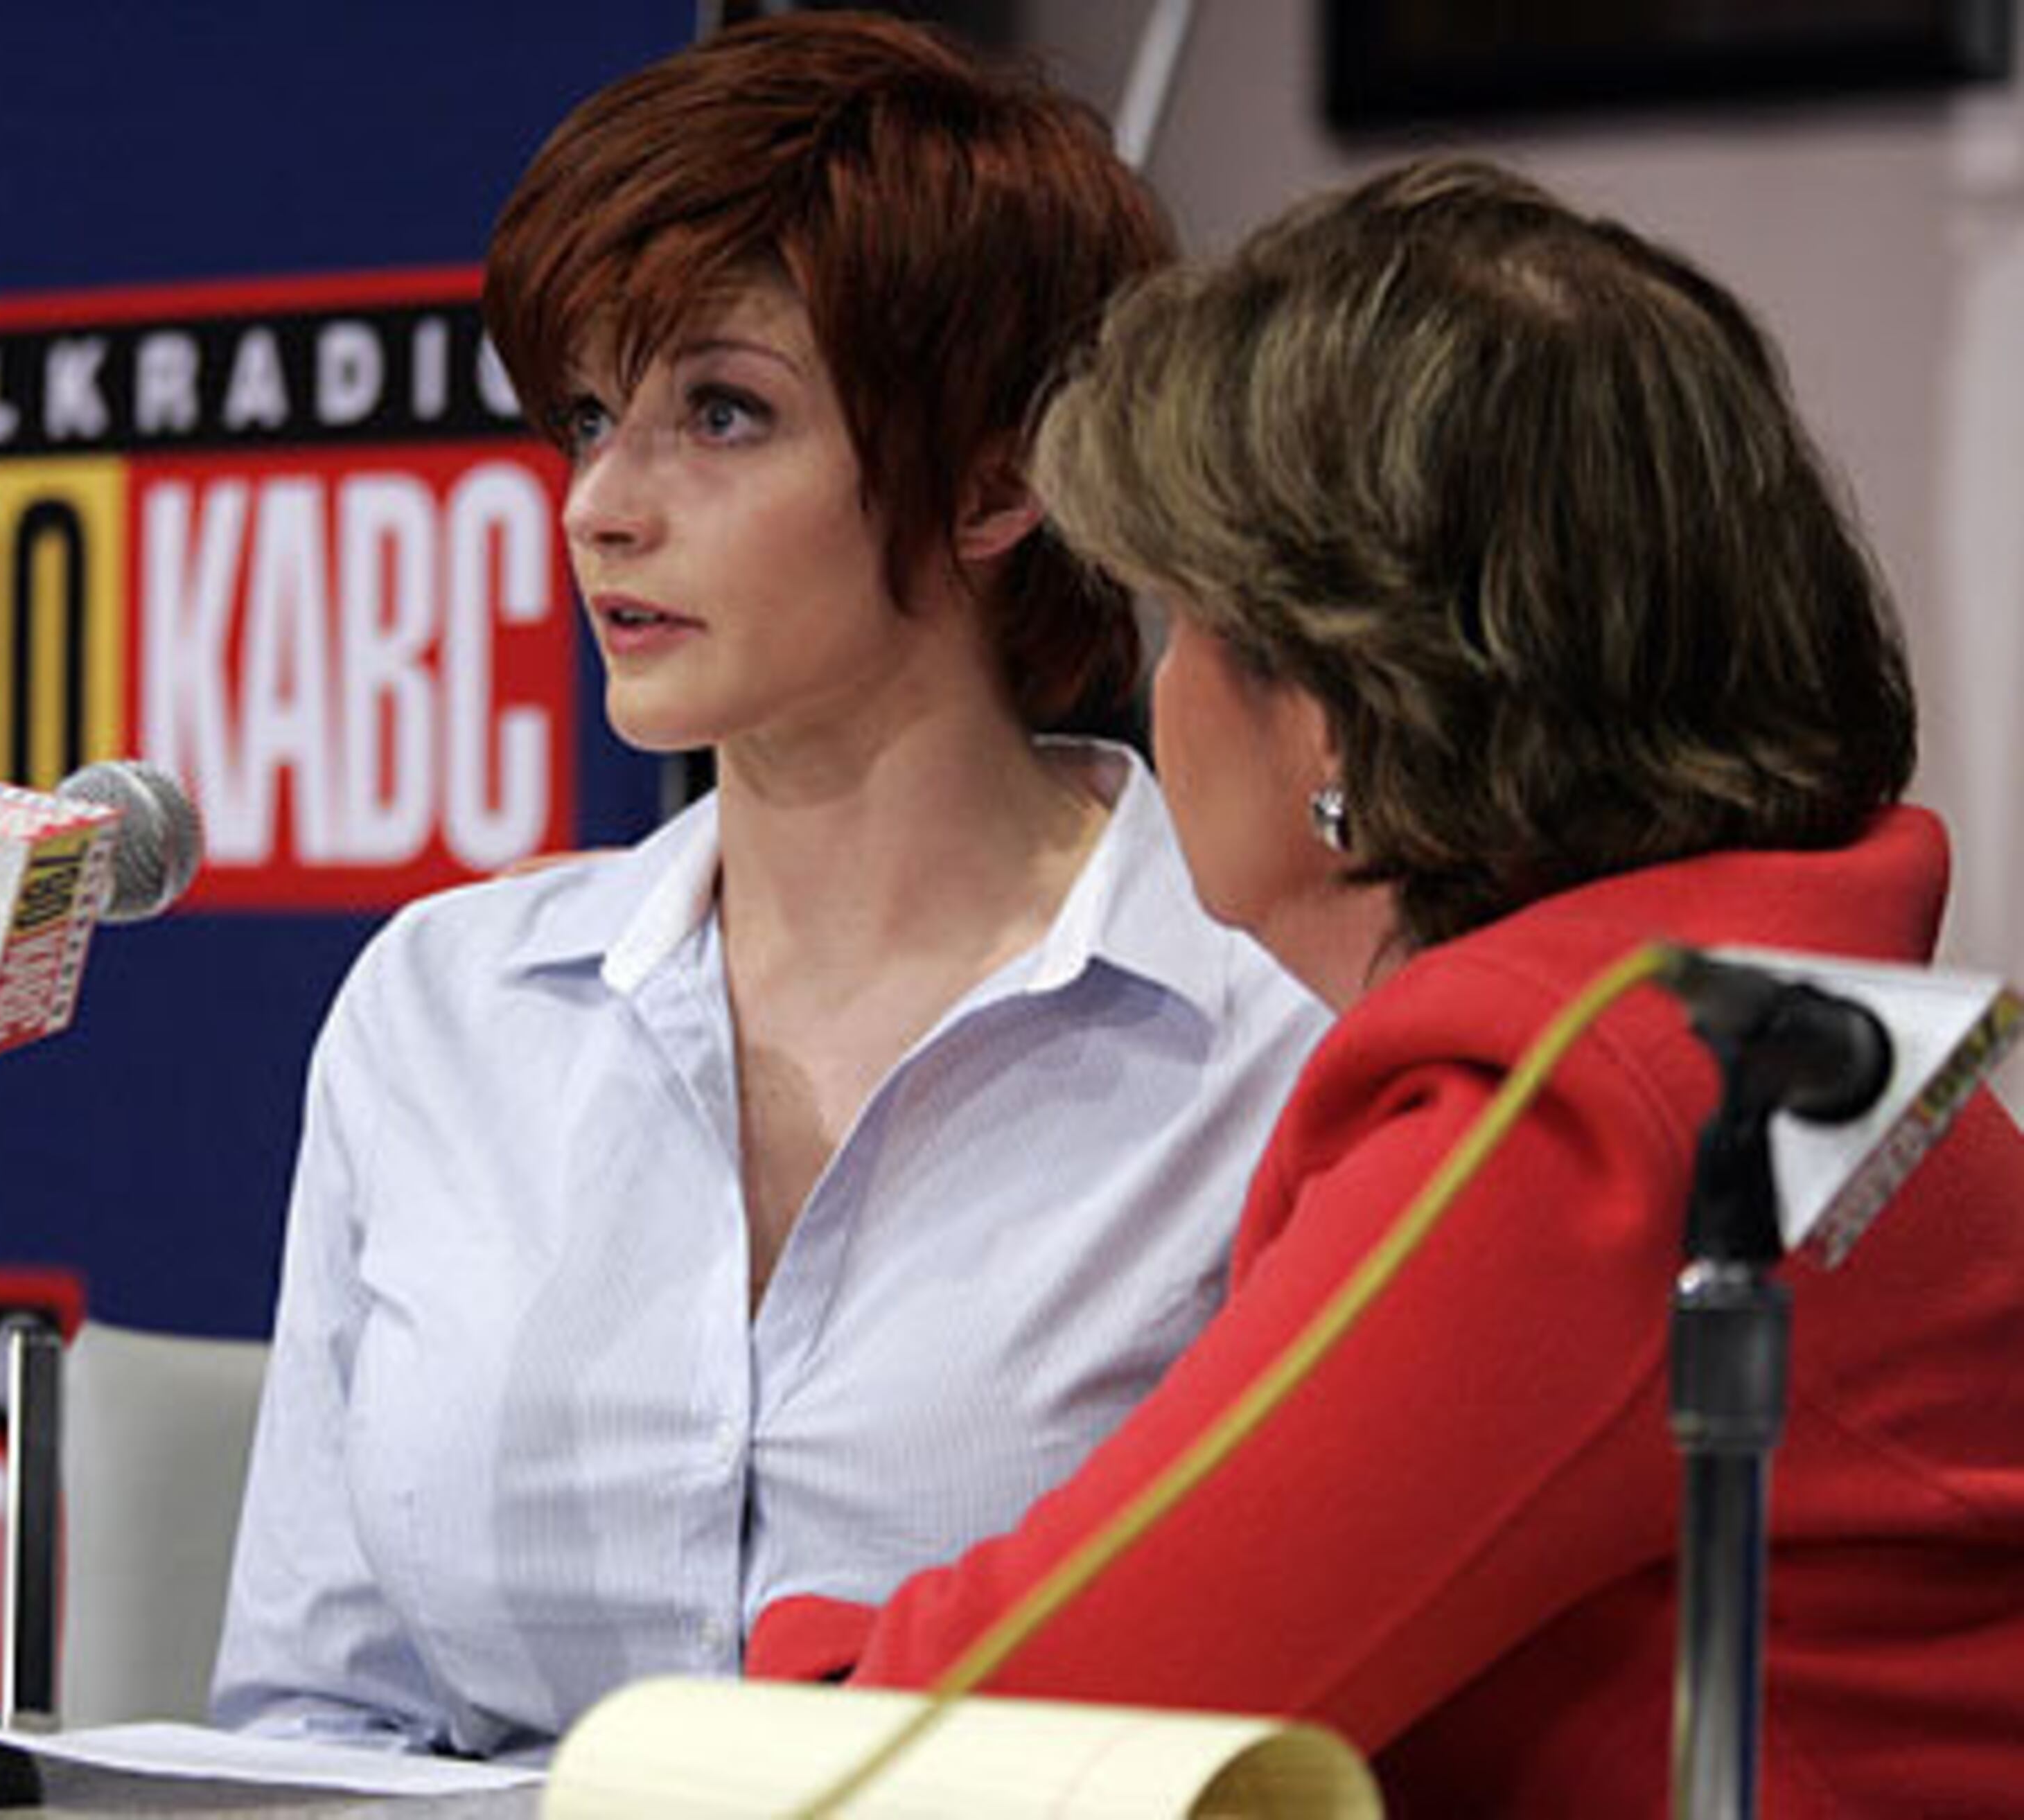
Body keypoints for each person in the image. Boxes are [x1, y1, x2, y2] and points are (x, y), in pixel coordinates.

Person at [747, 154, 2024, 1812]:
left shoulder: (1595, 1138)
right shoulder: (1750, 1043)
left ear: (1342, 709)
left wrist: (751, 1666)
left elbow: (1028, 1725)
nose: (1161, 685)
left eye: (1182, 616)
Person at [208, 13, 1327, 1758]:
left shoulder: (1272, 1035)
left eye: (721, 414)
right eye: (589, 416)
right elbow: (315, 1725)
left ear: (996, 477)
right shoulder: (440, 1005)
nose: (600, 507)